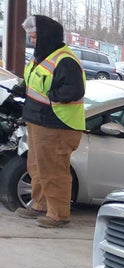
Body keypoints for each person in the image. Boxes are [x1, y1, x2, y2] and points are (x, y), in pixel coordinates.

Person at [15, 15, 85, 228]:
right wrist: (22, 87)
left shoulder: (65, 60)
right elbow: (35, 82)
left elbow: (74, 90)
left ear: (47, 37)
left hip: (57, 124)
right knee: (37, 167)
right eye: (30, 37)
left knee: (53, 170)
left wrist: (52, 96)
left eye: (35, 37)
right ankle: (40, 204)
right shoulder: (42, 57)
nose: (32, 41)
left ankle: (58, 214)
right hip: (38, 120)